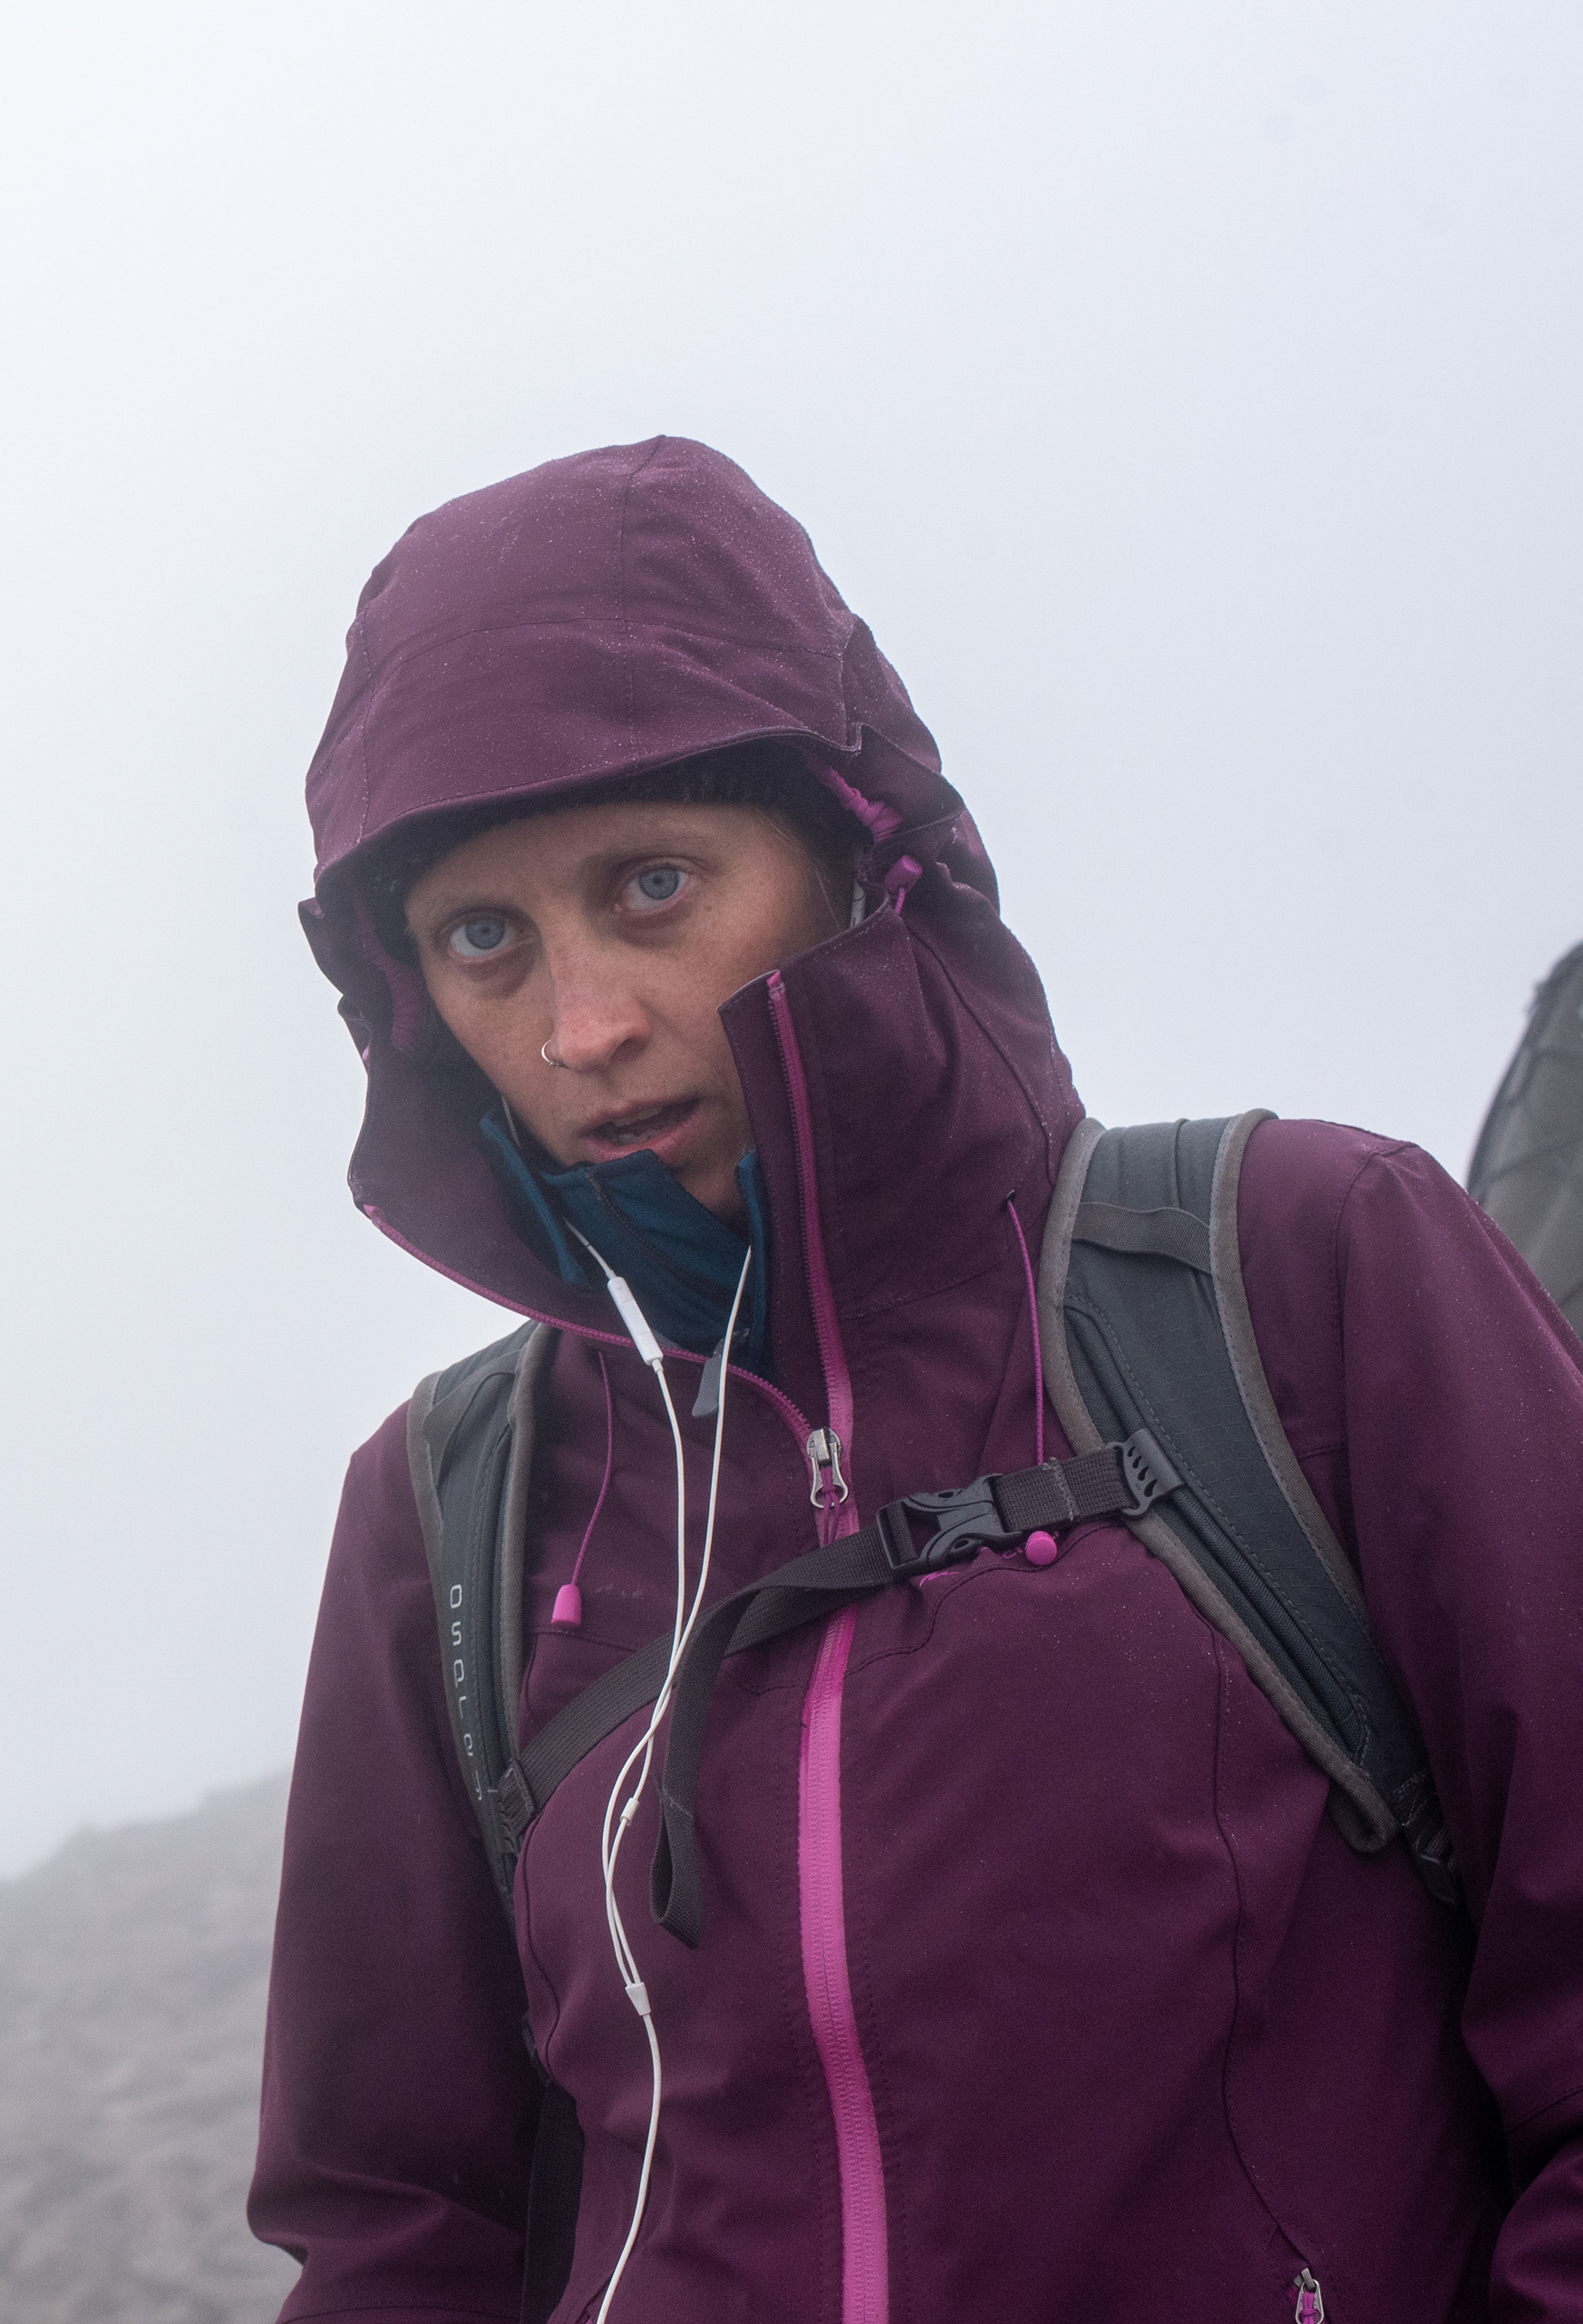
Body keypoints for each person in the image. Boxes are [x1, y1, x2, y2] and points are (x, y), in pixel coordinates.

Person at [248, 438, 1583, 2319]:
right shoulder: (451, 1506)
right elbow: (398, 2229)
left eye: (653, 885)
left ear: (854, 855)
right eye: (486, 940)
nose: (583, 1024)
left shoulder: (1302, 1266)